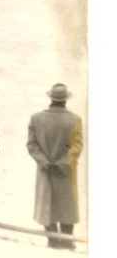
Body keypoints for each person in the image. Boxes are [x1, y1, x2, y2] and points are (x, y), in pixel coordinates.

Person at [27, 83, 83, 248]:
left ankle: (52, 240)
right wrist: (62, 163)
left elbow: (32, 145)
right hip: (66, 170)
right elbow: (77, 146)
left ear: (50, 98)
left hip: (45, 170)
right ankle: (67, 241)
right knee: (67, 205)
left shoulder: (36, 118)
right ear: (65, 100)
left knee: (47, 203)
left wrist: (44, 162)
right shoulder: (75, 120)